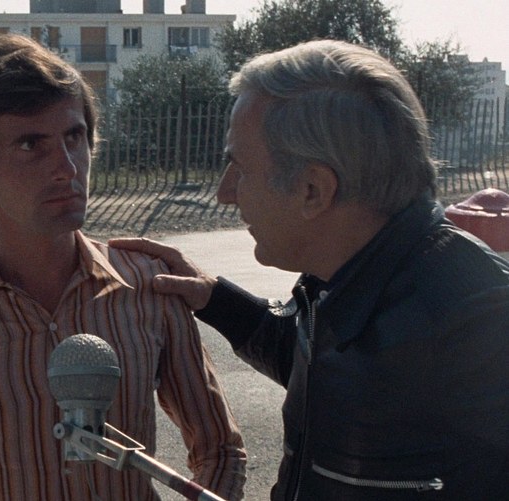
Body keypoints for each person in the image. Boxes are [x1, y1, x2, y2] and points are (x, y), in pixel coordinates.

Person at [0, 34, 246, 500]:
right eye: (31, 144)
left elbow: (220, 450)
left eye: (74, 137)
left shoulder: (148, 289)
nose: (67, 168)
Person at [111, 40, 509, 500]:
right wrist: (216, 299)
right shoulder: (342, 275)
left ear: (313, 190)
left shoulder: (481, 319)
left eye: (239, 168)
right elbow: (332, 370)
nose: (224, 193)